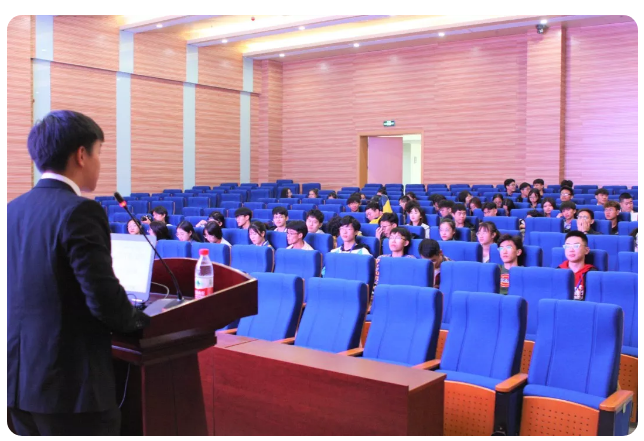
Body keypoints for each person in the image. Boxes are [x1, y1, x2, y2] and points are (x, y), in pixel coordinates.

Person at [7, 110, 150, 435]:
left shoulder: (12, 210)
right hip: (69, 389)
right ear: (81, 155)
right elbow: (102, 297)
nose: (100, 163)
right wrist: (140, 321)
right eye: (99, 153)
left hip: (17, 382)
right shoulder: (80, 210)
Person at [558, 231, 597, 301]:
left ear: (586, 250)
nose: (571, 250)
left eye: (576, 246)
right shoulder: (558, 271)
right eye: (567, 246)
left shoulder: (593, 274)